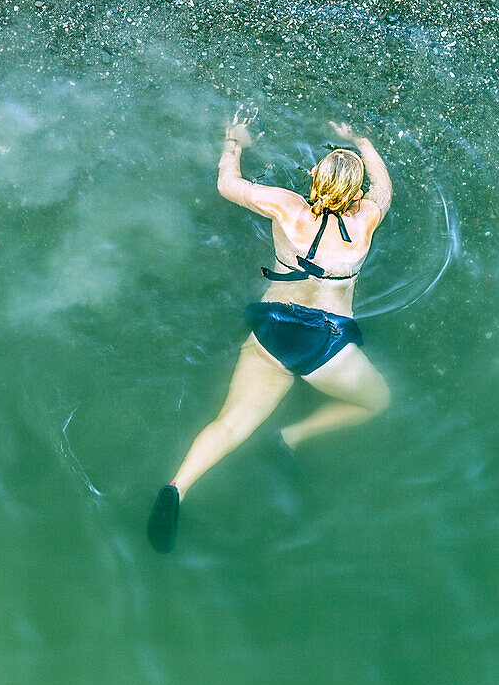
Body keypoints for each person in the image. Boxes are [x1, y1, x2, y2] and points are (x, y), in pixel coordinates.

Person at [147, 116, 392, 552]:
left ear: (314, 177)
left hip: (272, 328)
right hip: (325, 344)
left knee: (229, 423)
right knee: (377, 402)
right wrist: (362, 142)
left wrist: (233, 141)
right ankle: (291, 436)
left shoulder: (285, 206)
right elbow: (383, 190)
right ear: (354, 196)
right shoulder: (365, 220)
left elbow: (228, 184)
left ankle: (177, 487)